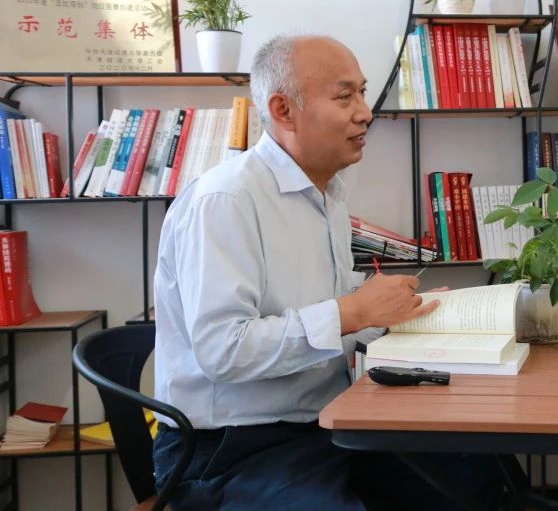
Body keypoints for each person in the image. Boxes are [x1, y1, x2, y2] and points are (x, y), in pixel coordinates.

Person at [152, 34, 500, 510]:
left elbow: (327, 304)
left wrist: (397, 311)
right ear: (283, 110)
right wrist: (354, 311)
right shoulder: (224, 201)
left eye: (362, 93)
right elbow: (223, 351)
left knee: (475, 471)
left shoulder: (327, 192)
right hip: (230, 446)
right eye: (344, 97)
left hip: (326, 420)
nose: (365, 113)